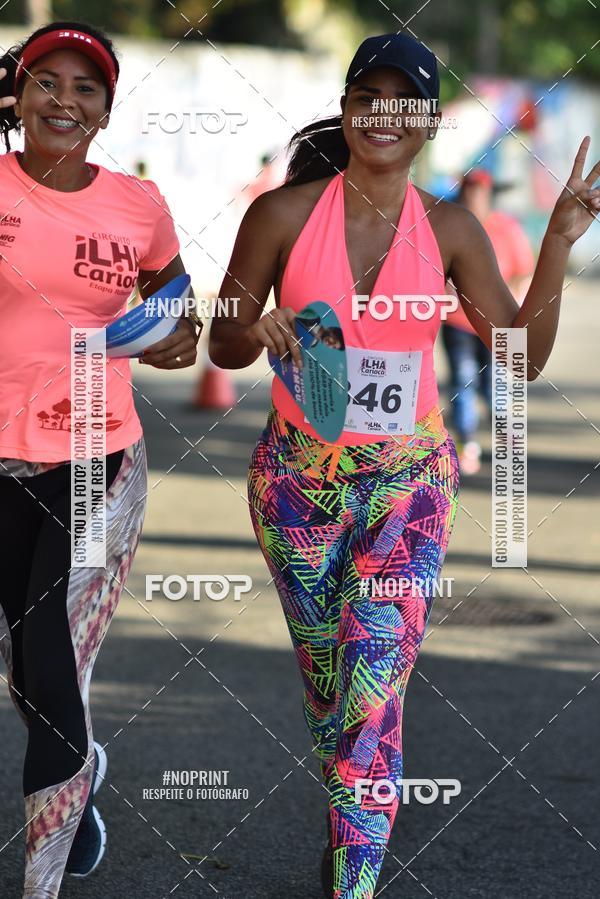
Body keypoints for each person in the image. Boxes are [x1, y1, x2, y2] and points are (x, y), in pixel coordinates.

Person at [209, 32, 599, 899]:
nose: (385, 114)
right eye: (368, 96)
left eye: (406, 100)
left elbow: (519, 356)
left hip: (408, 484)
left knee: (372, 680)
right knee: (329, 682)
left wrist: (561, 241)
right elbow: (223, 336)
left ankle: (355, 878)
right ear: (347, 110)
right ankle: (350, 817)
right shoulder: (281, 216)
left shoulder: (451, 229)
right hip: (296, 486)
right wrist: (257, 329)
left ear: (427, 123)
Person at [0, 21, 200, 898]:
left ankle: (39, 884)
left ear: (107, 112)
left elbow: (180, 312)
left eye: (87, 89)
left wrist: (170, 338)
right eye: (48, 82)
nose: (66, 101)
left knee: (45, 657)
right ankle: (86, 776)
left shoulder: (138, 205)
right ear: (19, 95)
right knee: (31, 673)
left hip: (95, 458)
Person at [442, 168, 535, 474]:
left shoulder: (506, 228)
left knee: (493, 384)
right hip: (457, 322)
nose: (474, 197)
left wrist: (514, 303)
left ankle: (506, 434)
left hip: (498, 323)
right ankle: (467, 442)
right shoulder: (451, 224)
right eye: (469, 191)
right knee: (462, 380)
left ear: (488, 194)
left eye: (479, 191)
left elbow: (524, 270)